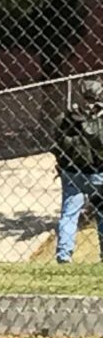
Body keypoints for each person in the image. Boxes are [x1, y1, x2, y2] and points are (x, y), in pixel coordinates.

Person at [51, 78, 103, 264]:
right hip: (97, 173)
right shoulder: (99, 120)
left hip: (72, 173)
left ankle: (64, 255)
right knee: (101, 213)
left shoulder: (65, 118)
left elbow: (57, 142)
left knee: (69, 214)